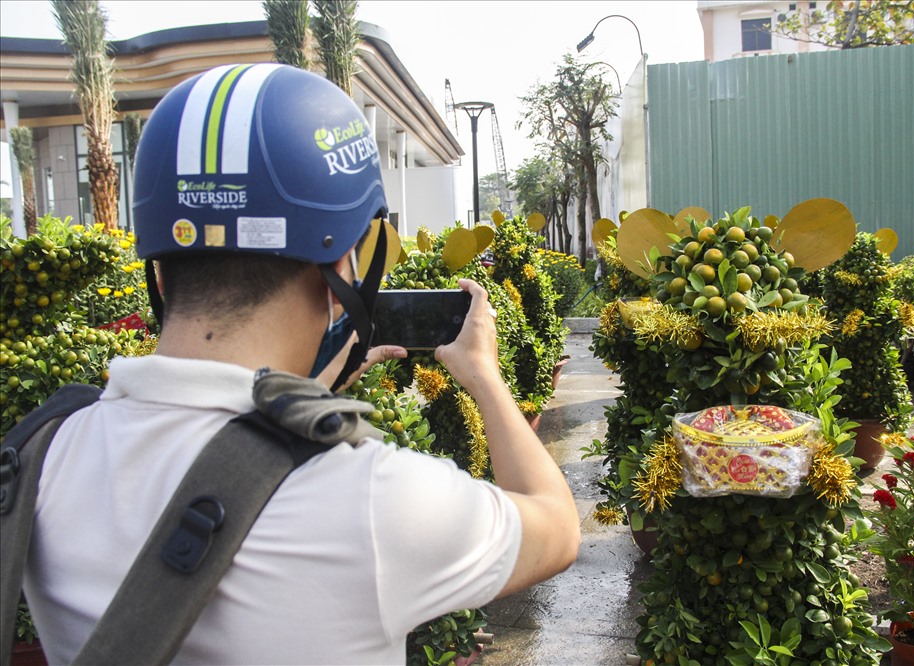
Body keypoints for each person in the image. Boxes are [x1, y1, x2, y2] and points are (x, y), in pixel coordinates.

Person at [22, 64, 579, 664]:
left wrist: (306, 392)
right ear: (345, 269)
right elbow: (557, 527)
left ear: (159, 268)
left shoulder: (42, 456)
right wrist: (486, 378)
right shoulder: (373, 498)